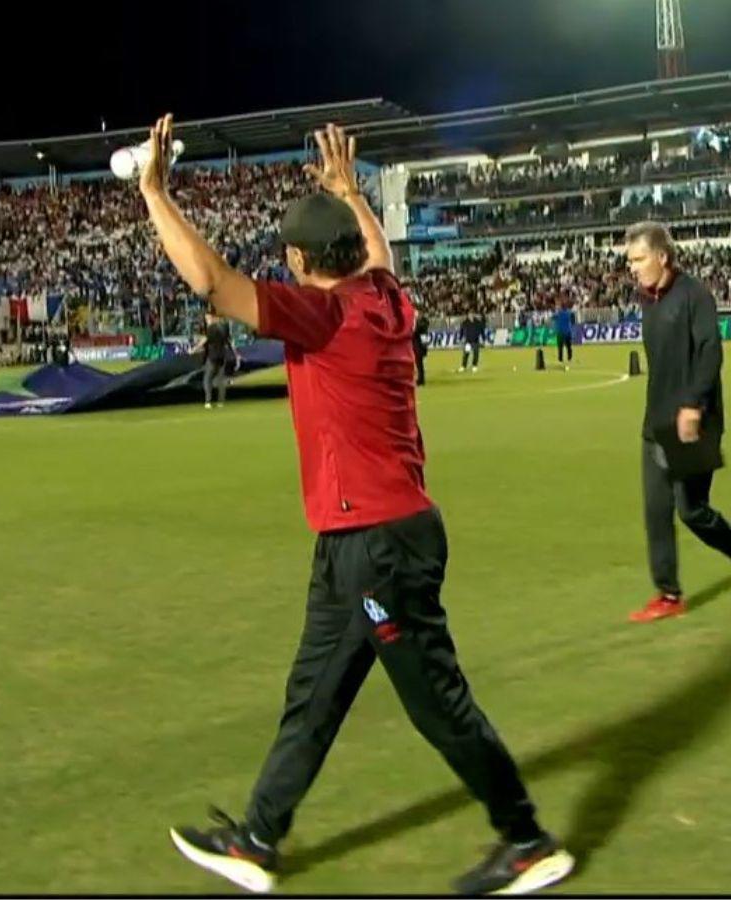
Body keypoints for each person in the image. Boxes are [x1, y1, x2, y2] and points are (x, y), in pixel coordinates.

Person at [139, 115, 572, 895]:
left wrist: (155, 192)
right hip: (358, 538)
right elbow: (381, 252)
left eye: (291, 258)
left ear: (303, 261)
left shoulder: (326, 315)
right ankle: (258, 838)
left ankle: (529, 840)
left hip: (380, 546)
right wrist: (349, 190)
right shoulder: (380, 297)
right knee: (314, 695)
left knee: (436, 702)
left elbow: (211, 283)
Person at [625, 221, 731, 622]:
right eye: (630, 260)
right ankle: (668, 595)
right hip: (655, 424)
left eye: (638, 259)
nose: (632, 267)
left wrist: (693, 405)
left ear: (662, 256)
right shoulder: (647, 300)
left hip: (694, 420)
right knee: (656, 510)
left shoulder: (694, 295)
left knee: (693, 511)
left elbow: (710, 353)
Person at [192, 312, 239, 408]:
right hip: (222, 356)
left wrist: (194, 349)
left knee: (207, 379)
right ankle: (221, 401)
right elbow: (230, 342)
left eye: (208, 318)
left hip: (213, 356)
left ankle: (208, 401)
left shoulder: (211, 328)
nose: (207, 321)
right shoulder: (224, 328)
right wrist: (236, 354)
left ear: (213, 318)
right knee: (221, 380)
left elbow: (205, 340)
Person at [553, 298, 575, 370]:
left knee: (560, 347)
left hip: (560, 332)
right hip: (567, 332)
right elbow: (572, 320)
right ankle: (569, 358)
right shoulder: (568, 313)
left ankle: (560, 359)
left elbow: (552, 318)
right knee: (568, 346)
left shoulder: (558, 313)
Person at [412, 308, 430, 386]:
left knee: (419, 363)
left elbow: (416, 331)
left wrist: (414, 323)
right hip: (417, 345)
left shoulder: (423, 322)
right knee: (418, 363)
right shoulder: (420, 321)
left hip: (420, 346)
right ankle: (420, 379)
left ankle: (421, 380)